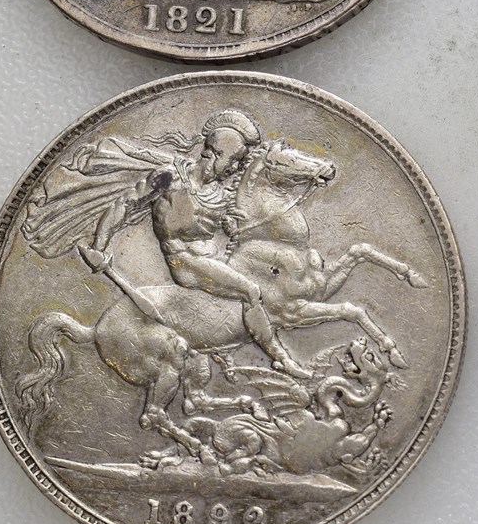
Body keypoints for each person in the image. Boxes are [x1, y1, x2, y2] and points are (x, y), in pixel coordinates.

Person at [83, 108, 311, 379]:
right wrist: (99, 246)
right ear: (215, 153)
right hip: (185, 262)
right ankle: (281, 358)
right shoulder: (170, 178)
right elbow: (125, 204)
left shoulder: (220, 192)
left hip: (214, 259)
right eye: (234, 160)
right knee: (251, 291)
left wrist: (232, 226)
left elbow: (224, 227)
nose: (237, 167)